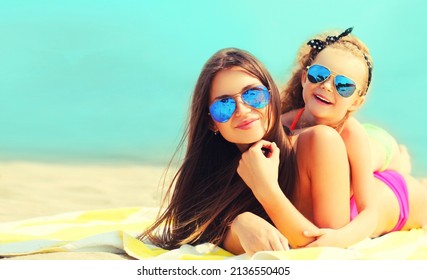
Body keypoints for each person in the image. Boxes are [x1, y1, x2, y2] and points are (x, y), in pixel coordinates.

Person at [138, 47, 355, 255]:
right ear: (212, 121)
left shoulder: (319, 142)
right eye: (224, 104)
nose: (242, 110)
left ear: (272, 97)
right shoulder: (214, 171)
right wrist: (238, 226)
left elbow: (330, 250)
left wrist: (265, 187)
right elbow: (193, 233)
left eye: (253, 94)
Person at [275, 27, 427, 245]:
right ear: (304, 78)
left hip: (390, 198)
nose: (326, 86)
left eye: (343, 86)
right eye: (319, 75)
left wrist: (337, 239)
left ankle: (403, 168)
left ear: (356, 102)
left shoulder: (350, 132)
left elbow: (370, 212)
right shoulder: (283, 125)